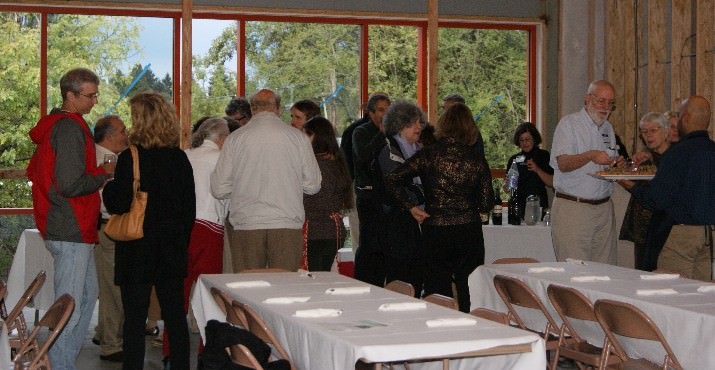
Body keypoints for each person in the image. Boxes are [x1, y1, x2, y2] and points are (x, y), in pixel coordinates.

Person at [26, 67, 113, 370]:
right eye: (89, 96)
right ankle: (58, 365)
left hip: (69, 226)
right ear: (70, 95)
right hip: (71, 226)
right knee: (71, 308)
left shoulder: (58, 125)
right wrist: (104, 174)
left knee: (87, 296)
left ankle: (63, 362)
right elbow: (70, 184)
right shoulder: (70, 128)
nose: (95, 101)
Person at [103, 92, 195, 370]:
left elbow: (118, 203)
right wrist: (178, 242)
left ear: (140, 121)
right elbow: (189, 209)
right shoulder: (179, 158)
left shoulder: (130, 158)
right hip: (170, 247)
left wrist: (108, 183)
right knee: (175, 317)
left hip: (137, 247)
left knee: (134, 318)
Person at [384, 103, 493, 312]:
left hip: (435, 229)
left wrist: (410, 206)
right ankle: (471, 330)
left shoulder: (428, 154)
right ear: (470, 128)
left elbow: (392, 179)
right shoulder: (476, 159)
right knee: (469, 287)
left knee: (436, 287)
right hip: (468, 230)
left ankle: (438, 331)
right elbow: (486, 202)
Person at [211, 89, 322, 272]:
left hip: (247, 224)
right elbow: (313, 185)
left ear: (252, 110)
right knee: (285, 291)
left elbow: (218, 188)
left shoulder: (235, 139)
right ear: (278, 109)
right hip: (286, 223)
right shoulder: (297, 139)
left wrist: (241, 186)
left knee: (248, 291)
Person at [158, 117, 230, 357]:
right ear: (222, 138)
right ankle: (206, 350)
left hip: (180, 228)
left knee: (178, 292)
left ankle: (170, 349)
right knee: (208, 293)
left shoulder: (185, 155)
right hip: (210, 227)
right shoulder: (222, 158)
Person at [630, 96, 715, 280]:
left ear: (685, 118)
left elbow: (657, 199)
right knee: (701, 294)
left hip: (681, 236)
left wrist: (630, 185)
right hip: (709, 235)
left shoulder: (677, 154)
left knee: (672, 292)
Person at [549, 80, 621, 264]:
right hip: (574, 208)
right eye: (601, 101)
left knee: (606, 272)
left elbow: (606, 164)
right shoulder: (569, 124)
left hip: (604, 208)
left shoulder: (608, 128)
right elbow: (563, 163)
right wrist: (590, 155)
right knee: (574, 272)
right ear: (587, 100)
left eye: (610, 103)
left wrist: (616, 165)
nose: (606, 107)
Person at [376, 101, 426, 297]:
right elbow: (393, 185)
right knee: (401, 275)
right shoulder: (389, 150)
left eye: (419, 123)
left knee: (416, 273)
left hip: (414, 220)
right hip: (396, 222)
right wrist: (416, 200)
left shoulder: (417, 149)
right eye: (413, 123)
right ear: (399, 125)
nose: (418, 127)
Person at [93, 115, 129, 363]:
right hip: (109, 226)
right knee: (113, 287)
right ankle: (111, 343)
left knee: (110, 285)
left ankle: (103, 332)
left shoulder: (107, 157)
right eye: (122, 130)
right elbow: (108, 200)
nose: (126, 134)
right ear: (109, 136)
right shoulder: (105, 160)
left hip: (107, 226)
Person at [618, 113, 670, 271]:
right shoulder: (645, 158)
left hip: (664, 226)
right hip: (642, 227)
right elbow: (636, 182)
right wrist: (626, 168)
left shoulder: (674, 157)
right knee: (642, 272)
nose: (648, 135)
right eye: (644, 132)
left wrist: (625, 181)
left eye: (653, 130)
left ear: (666, 131)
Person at [302, 117, 353, 271]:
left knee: (314, 280)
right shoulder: (336, 161)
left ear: (316, 137)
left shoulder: (318, 165)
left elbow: (321, 202)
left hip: (317, 231)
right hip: (331, 230)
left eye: (305, 136)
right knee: (321, 277)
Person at [351, 93, 391, 286]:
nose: (385, 114)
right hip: (367, 196)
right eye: (381, 110)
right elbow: (363, 157)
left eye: (387, 110)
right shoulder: (360, 132)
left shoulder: (395, 133)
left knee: (386, 244)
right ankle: (364, 284)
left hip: (388, 198)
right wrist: (382, 134)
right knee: (369, 244)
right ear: (371, 113)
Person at [504, 122, 553, 217]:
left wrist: (537, 169)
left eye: (527, 139)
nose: (524, 143)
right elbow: (508, 189)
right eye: (521, 140)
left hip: (537, 205)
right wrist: (507, 184)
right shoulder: (514, 159)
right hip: (518, 207)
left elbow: (551, 182)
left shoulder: (543, 155)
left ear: (534, 139)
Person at [441, 93, 485, 159]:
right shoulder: (441, 132)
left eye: (448, 110)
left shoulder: (473, 134)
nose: (444, 113)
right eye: (443, 108)